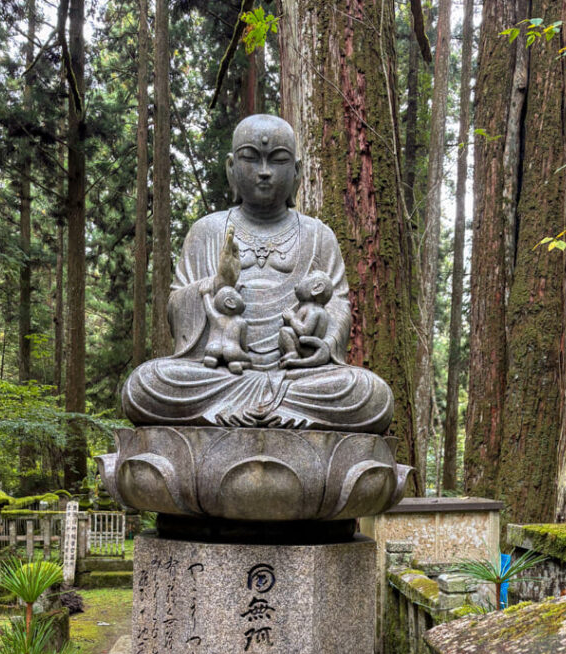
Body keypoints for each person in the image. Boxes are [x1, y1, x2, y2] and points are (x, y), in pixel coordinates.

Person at [122, 114, 394, 434]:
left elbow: (338, 308)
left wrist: (326, 345)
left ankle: (264, 409)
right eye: (251, 158)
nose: (264, 172)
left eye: (277, 161)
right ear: (231, 168)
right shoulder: (207, 231)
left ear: (296, 172)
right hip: (224, 377)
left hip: (296, 377)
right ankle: (238, 408)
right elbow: (177, 309)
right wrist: (219, 282)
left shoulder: (318, 236)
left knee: (370, 393)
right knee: (145, 385)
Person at [279, 270, 333, 369]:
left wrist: (291, 318)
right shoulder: (307, 308)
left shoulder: (314, 310)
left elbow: (304, 332)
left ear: (317, 288)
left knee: (284, 331)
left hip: (307, 348)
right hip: (304, 344)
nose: (301, 279)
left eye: (309, 276)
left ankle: (293, 353)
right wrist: (288, 320)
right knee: (286, 330)